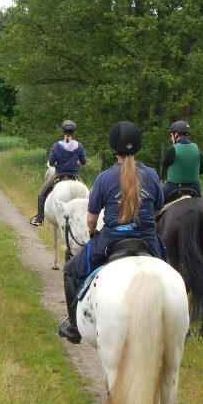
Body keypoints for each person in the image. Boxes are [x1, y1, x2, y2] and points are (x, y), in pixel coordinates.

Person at [59, 121, 164, 344]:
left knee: (70, 271)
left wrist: (91, 232)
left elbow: (91, 219)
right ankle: (182, 326)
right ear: (137, 147)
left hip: (111, 239)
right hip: (147, 239)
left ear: (113, 149)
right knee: (173, 270)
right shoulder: (152, 175)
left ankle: (74, 327)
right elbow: (157, 210)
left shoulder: (104, 178)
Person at [29, 119, 87, 226]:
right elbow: (83, 162)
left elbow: (51, 163)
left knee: (42, 193)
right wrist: (76, 163)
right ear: (73, 132)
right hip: (74, 176)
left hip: (59, 174)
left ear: (63, 132)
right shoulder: (79, 146)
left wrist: (58, 162)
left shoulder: (56, 146)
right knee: (89, 195)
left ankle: (39, 218)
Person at [160, 119, 203, 198]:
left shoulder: (172, 149)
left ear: (176, 134)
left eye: (171, 135)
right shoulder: (198, 149)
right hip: (195, 188)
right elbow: (201, 171)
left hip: (173, 187)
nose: (171, 139)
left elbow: (164, 166)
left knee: (157, 205)